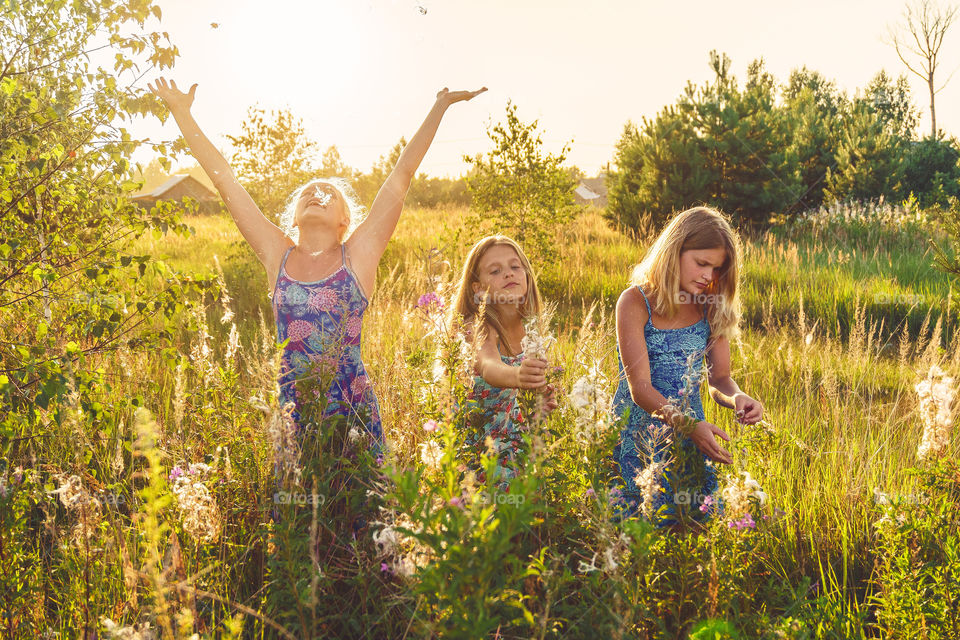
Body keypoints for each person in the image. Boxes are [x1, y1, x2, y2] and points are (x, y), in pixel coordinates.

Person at [148, 78, 486, 461]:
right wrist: (181, 113)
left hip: (351, 408)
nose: (316, 193)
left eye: (329, 194)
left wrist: (439, 106)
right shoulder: (277, 253)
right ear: (293, 218)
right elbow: (224, 177)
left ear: (345, 220)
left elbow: (401, 175)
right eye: (309, 190)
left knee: (360, 510)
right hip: (294, 408)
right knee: (297, 514)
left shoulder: (358, 255)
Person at [611, 206, 764, 531]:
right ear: (674, 251)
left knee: (692, 528)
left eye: (717, 268)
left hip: (692, 436)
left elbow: (720, 378)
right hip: (642, 437)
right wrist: (689, 424)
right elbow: (640, 388)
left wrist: (738, 397)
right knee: (638, 532)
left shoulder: (710, 307)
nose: (709, 275)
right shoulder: (635, 303)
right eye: (701, 263)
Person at [447, 235, 558, 490]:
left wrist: (540, 403)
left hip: (513, 441)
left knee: (537, 496)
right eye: (495, 271)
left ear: (527, 276)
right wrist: (520, 376)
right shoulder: (477, 327)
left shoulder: (530, 329)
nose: (508, 274)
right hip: (475, 447)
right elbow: (488, 366)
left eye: (515, 267)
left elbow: (515, 404)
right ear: (477, 289)